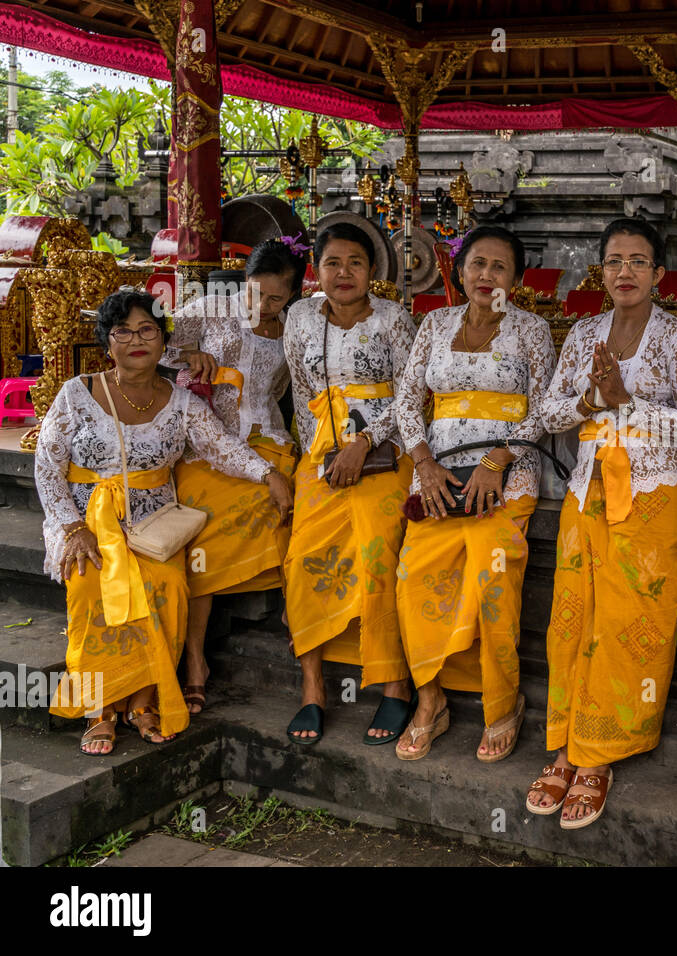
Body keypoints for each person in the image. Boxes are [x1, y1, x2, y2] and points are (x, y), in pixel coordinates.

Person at [36, 289, 291, 755]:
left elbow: (222, 449)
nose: (136, 340)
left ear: (163, 340)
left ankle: (143, 700)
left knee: (168, 586)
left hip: (152, 527)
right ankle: (100, 707)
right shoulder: (77, 393)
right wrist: (71, 528)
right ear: (106, 343)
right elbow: (47, 465)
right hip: (87, 524)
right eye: (123, 332)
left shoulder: (182, 402)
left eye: (147, 330)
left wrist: (269, 473)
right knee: (93, 584)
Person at [527, 217, 677, 829]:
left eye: (637, 261)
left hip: (656, 498)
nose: (624, 272)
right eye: (614, 261)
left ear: (659, 274)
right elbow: (548, 412)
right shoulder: (580, 335)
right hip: (588, 490)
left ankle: (598, 755)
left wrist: (628, 401)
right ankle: (563, 745)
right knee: (571, 617)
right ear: (600, 273)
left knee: (630, 623)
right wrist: (591, 402)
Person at [390, 225, 556, 761]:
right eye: (477, 264)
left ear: (517, 279)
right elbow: (406, 400)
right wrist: (424, 464)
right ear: (459, 272)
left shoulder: (531, 330)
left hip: (507, 478)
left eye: (500, 267)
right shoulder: (435, 323)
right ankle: (430, 700)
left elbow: (545, 410)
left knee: (493, 581)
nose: (487, 276)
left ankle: (502, 703)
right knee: (414, 579)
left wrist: (495, 460)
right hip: (436, 477)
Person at [281, 222, 417, 746]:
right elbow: (300, 391)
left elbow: (413, 395)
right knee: (300, 557)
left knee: (378, 551)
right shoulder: (297, 316)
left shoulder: (393, 320)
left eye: (355, 263)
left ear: (372, 271)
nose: (343, 273)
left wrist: (364, 442)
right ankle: (312, 686)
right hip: (322, 458)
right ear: (316, 269)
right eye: (333, 262)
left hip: (384, 455)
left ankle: (393, 684)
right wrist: (315, 456)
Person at [166, 238, 307, 714]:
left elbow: (294, 390)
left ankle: (303, 616)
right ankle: (195, 660)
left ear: (291, 296)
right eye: (254, 294)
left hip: (269, 442)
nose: (261, 306)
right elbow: (152, 342)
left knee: (289, 504)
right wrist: (188, 356)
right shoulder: (209, 308)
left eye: (274, 298)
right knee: (199, 530)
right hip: (208, 447)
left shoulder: (294, 328)